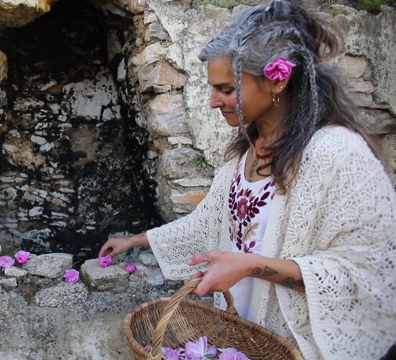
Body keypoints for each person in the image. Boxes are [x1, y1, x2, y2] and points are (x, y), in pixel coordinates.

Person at [99, 0, 396, 358]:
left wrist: (253, 266)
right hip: (246, 338)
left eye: (226, 89)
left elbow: (369, 272)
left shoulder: (337, 153)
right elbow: (206, 224)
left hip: (302, 345)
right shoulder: (243, 156)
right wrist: (136, 241)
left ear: (279, 79)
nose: (213, 102)